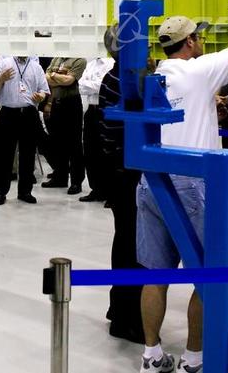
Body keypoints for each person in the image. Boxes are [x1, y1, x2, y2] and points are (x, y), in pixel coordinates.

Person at [138, 0, 228, 373]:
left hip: (152, 181)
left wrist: (209, 106)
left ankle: (151, 355)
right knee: (207, 274)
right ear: (190, 41)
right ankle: (193, 360)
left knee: (156, 276)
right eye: (199, 37)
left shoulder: (157, 77)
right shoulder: (199, 70)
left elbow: (184, 109)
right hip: (192, 182)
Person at [98, 26, 145, 344]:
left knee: (125, 241)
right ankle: (127, 318)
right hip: (128, 173)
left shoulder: (113, 78)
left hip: (117, 171)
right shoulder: (125, 82)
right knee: (133, 245)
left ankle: (118, 308)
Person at [0, 55, 48, 205]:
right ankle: (0, 192)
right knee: (4, 155)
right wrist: (1, 78)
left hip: (29, 113)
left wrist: (40, 96)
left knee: (28, 154)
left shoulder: (36, 66)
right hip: (8, 113)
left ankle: (25, 191)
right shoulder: (4, 63)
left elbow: (44, 90)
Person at [41, 56, 87, 194]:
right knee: (57, 142)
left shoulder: (79, 60)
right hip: (57, 102)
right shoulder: (56, 59)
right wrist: (60, 77)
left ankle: (76, 182)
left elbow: (69, 81)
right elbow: (45, 78)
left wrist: (53, 75)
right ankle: (60, 177)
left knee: (74, 144)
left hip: (71, 104)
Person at [78, 54, 116, 202]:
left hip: (105, 110)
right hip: (91, 110)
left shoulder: (111, 64)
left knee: (105, 152)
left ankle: (110, 193)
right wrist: (95, 85)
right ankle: (96, 189)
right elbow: (80, 86)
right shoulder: (91, 64)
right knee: (90, 151)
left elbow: (104, 87)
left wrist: (91, 84)